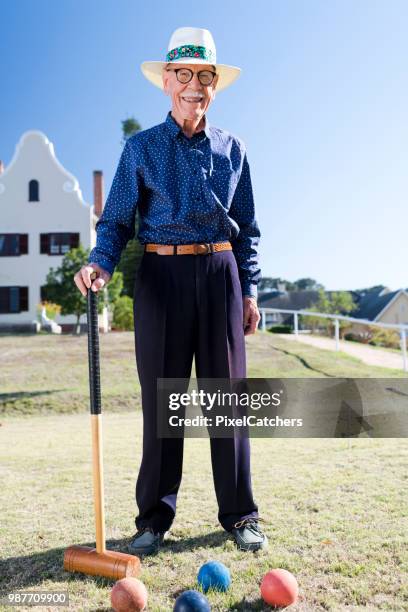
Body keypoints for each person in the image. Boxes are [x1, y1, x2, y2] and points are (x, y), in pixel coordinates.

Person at [74, 26, 267, 555]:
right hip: (159, 279)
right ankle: (154, 520)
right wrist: (99, 264)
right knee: (164, 405)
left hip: (220, 274)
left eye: (205, 76)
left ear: (215, 85)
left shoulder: (234, 150)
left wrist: (249, 290)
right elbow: (115, 221)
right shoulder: (140, 148)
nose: (194, 86)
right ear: (166, 81)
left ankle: (240, 515)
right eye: (184, 74)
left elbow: (247, 229)